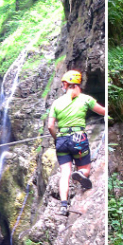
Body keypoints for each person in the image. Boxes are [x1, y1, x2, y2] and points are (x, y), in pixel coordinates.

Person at [46, 69, 106, 216]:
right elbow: (104, 111)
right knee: (85, 168)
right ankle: (80, 173)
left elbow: (50, 126)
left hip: (61, 140)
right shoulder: (86, 99)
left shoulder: (56, 103)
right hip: (78, 139)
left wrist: (56, 138)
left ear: (66, 84)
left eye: (63, 84)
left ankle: (63, 205)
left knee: (65, 173)